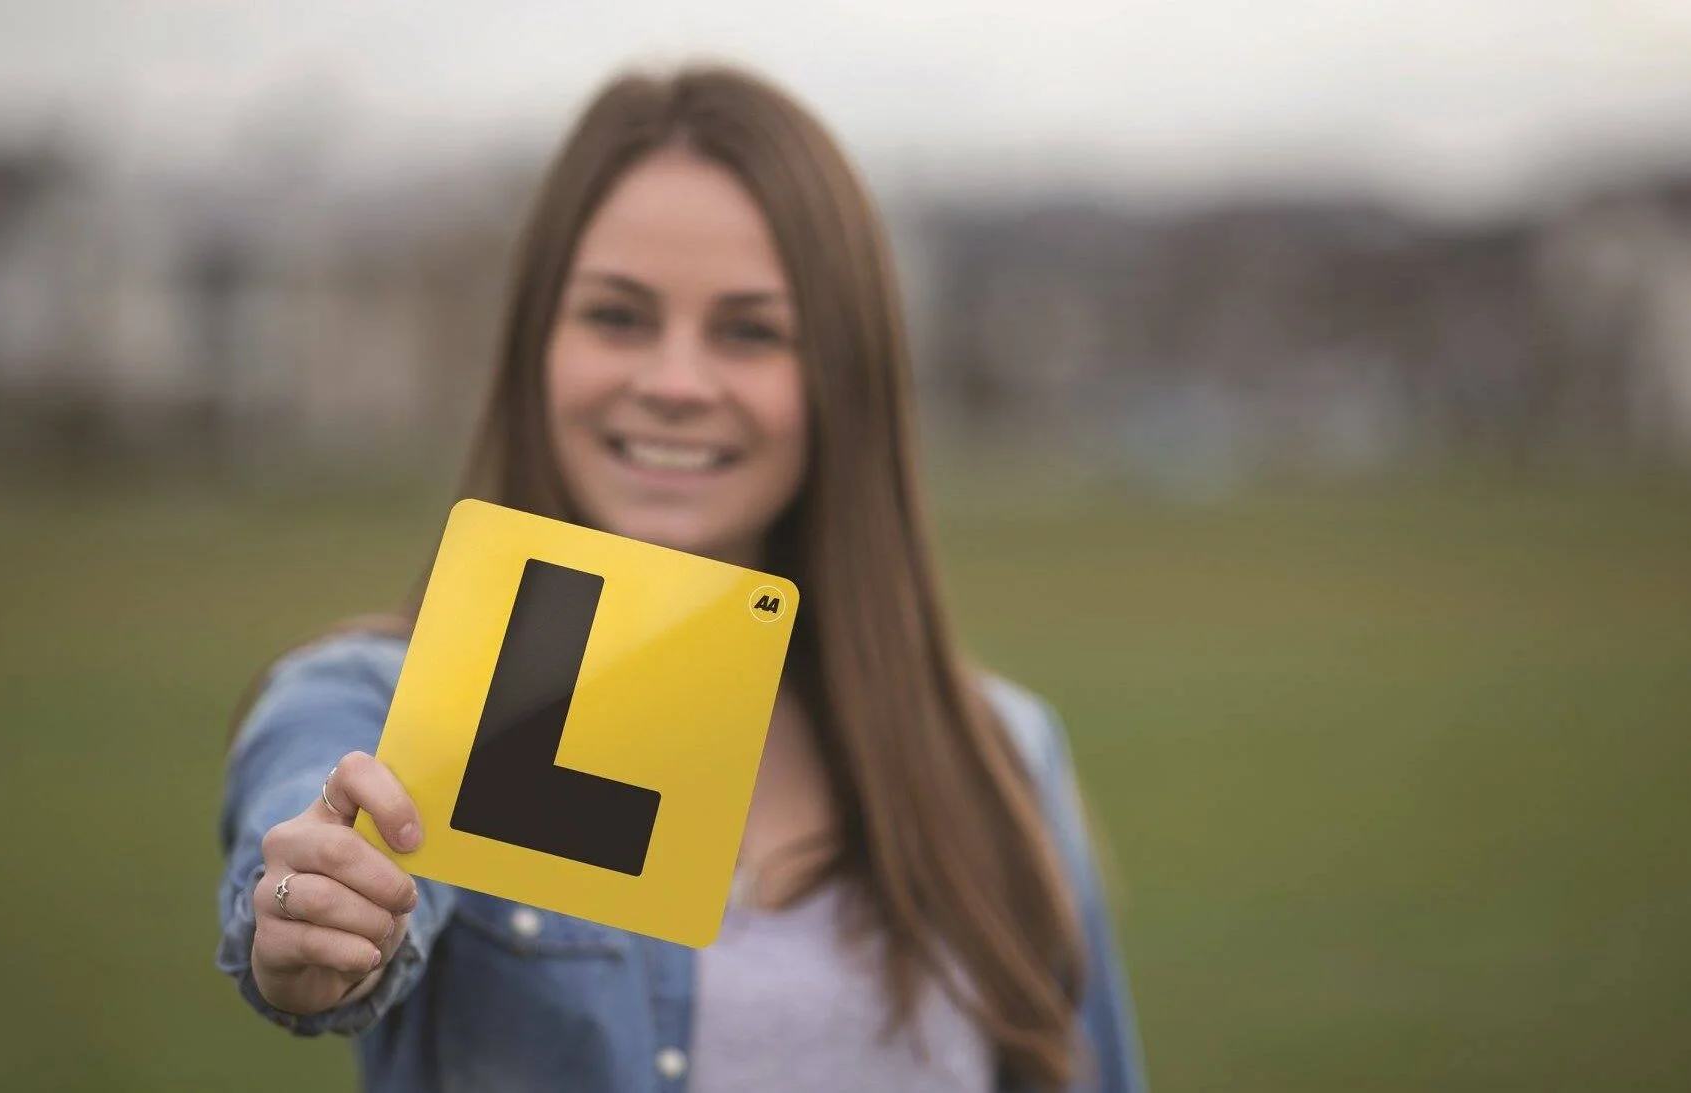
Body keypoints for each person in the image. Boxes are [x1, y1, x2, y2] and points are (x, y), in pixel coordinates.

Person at [215, 63, 1147, 1093]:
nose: (671, 381)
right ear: (537, 346)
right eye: (618, 316)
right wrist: (322, 913)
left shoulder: (1001, 751)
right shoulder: (381, 700)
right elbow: (310, 826)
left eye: (748, 331)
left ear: (842, 376)